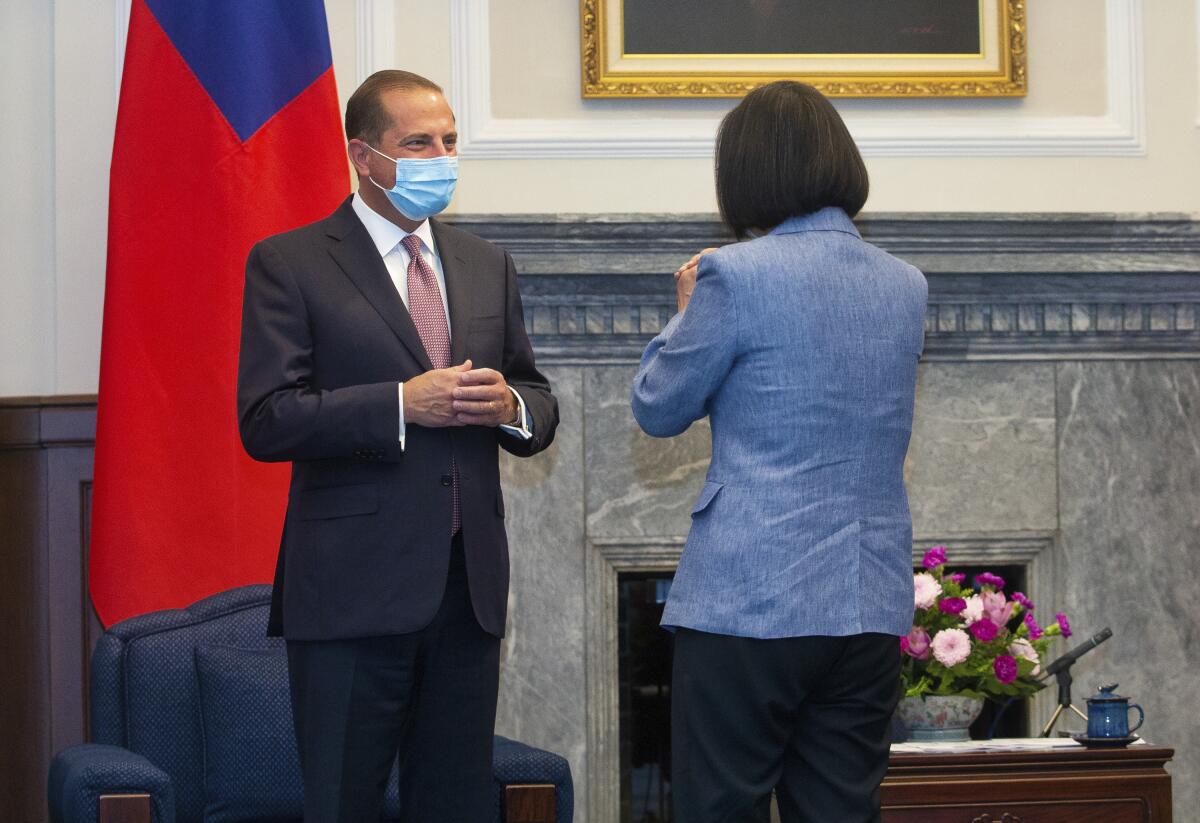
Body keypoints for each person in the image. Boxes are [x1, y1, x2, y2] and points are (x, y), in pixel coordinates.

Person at [237, 70, 558, 823]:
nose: (440, 156)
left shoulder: (485, 262)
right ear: (363, 155)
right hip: (351, 593)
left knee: (454, 805)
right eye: (418, 142)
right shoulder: (292, 262)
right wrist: (397, 405)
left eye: (449, 141)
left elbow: (538, 399)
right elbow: (266, 418)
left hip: (465, 590)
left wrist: (508, 404)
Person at [631, 80, 927, 823]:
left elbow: (658, 408)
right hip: (866, 600)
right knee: (839, 810)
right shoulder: (906, 284)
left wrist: (685, 316)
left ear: (747, 172)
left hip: (749, 601)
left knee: (719, 807)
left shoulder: (734, 275)